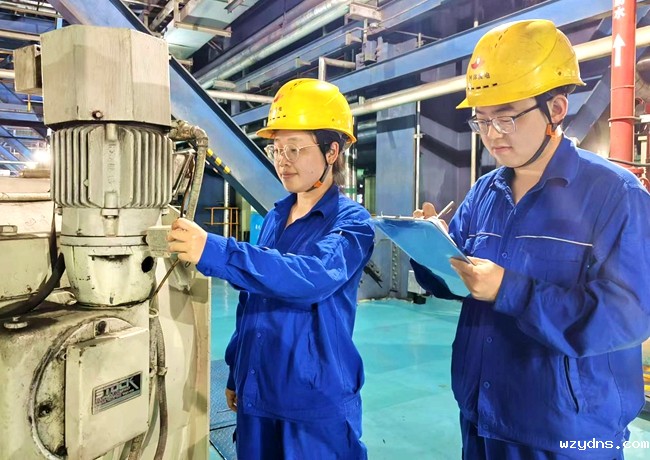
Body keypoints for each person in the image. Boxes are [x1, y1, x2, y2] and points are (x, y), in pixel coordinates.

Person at [412, 19, 650, 459]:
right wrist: (428, 248)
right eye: (482, 120)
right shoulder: (485, 192)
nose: (492, 134)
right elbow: (454, 281)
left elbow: (629, 316)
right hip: (481, 415)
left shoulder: (615, 195)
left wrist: (511, 290)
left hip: (567, 431)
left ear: (556, 109)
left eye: (506, 117)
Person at [168, 78, 373, 459]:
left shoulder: (352, 222)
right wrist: (237, 371)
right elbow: (252, 300)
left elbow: (312, 276)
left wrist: (214, 249)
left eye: (295, 148)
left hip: (312, 402)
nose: (282, 160)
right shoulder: (277, 216)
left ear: (332, 151)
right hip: (258, 396)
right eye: (277, 149)